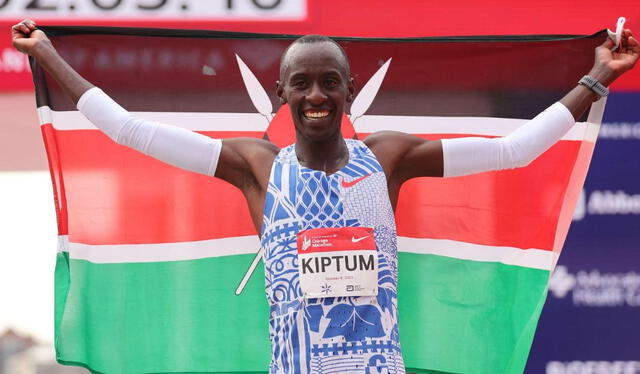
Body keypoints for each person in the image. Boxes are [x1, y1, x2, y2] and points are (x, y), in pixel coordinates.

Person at [12, 19, 639, 374]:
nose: (316, 95)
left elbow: (515, 150)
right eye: (302, 83)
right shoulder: (255, 167)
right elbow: (130, 130)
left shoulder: (387, 159)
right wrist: (47, 55)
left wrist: (597, 77)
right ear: (282, 93)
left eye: (329, 83)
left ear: (349, 90)